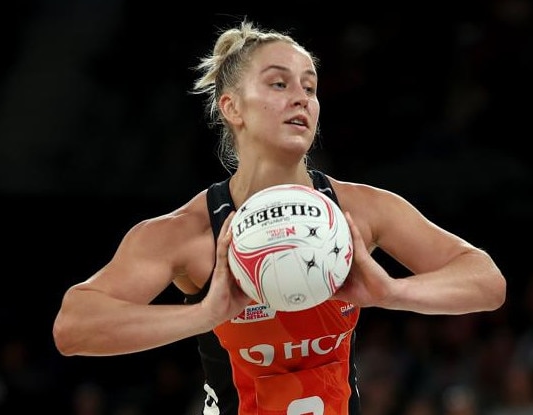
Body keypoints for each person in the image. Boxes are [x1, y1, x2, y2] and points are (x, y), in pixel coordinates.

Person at [52, 18, 506, 415]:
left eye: (309, 87)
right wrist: (206, 313)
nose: (301, 98)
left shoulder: (360, 210)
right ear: (232, 107)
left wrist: (391, 291)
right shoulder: (189, 232)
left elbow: (486, 282)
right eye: (278, 83)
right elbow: (75, 327)